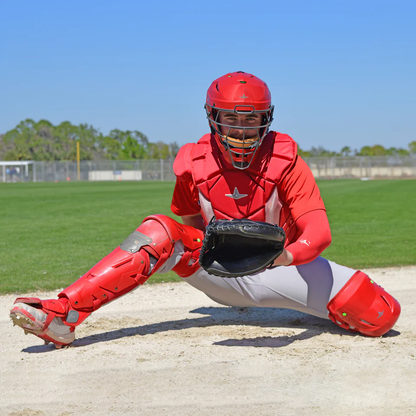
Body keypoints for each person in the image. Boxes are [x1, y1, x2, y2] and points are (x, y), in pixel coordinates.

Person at [10, 71, 400, 348]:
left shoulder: (286, 158)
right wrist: (217, 253)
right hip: (219, 272)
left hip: (283, 269)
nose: (242, 130)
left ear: (267, 120)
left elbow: (319, 233)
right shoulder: (191, 163)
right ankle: (62, 313)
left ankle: (316, 307)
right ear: (213, 117)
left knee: (382, 315)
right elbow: (191, 227)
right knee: (161, 229)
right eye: (231, 118)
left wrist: (280, 256)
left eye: (251, 120)